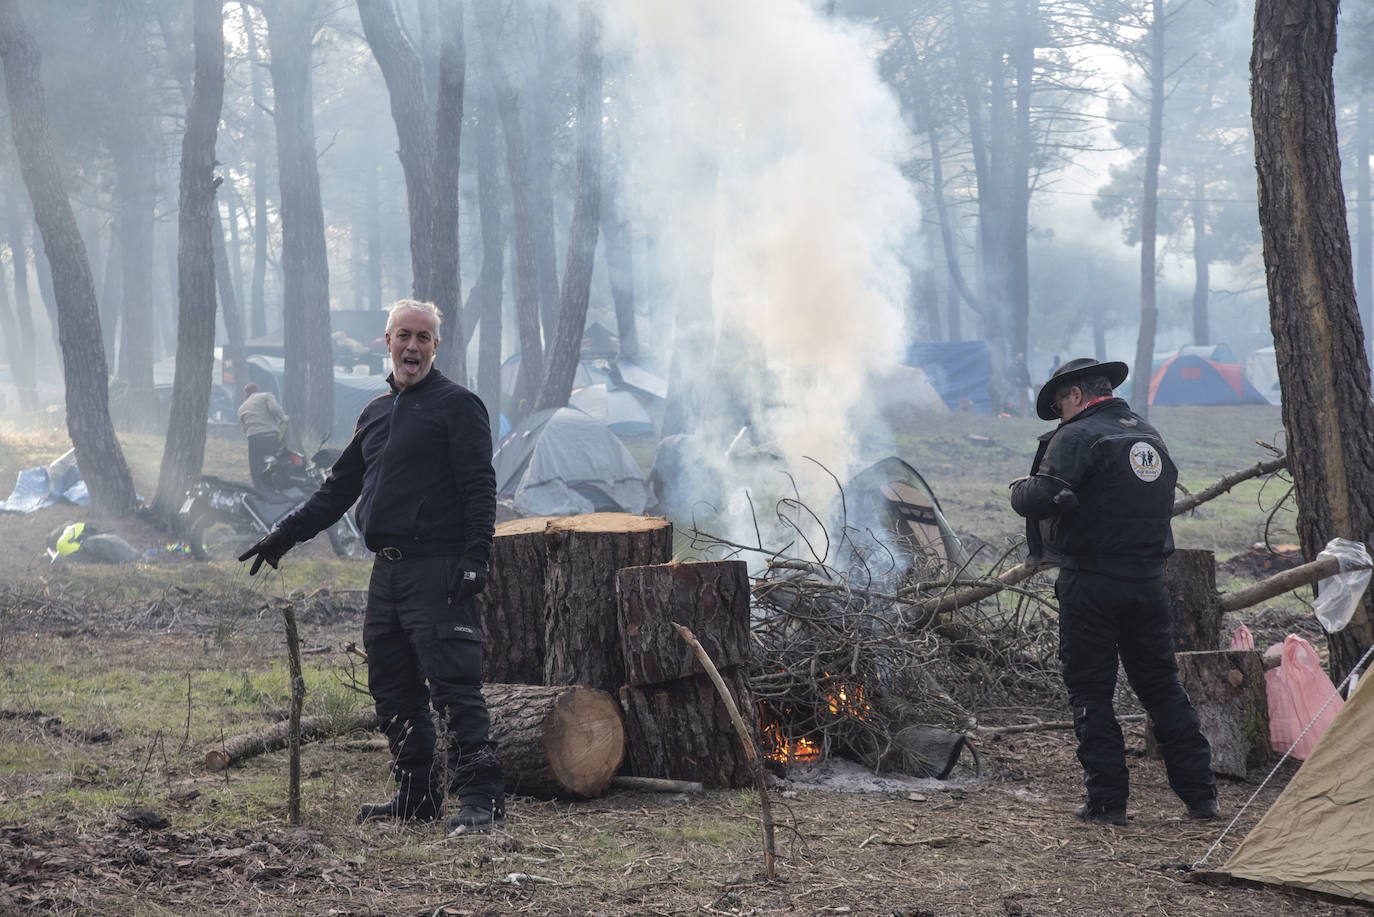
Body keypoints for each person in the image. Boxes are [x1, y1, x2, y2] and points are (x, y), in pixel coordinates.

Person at [238, 300, 504, 836]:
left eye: (423, 338)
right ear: (386, 342)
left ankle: (482, 801)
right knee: (393, 686)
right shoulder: (377, 412)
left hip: (439, 568)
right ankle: (417, 795)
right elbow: (338, 488)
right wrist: (284, 535)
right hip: (387, 572)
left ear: (435, 346)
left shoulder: (459, 405)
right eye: (403, 335)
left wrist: (478, 557)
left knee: (454, 687)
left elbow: (480, 485)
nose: (412, 346)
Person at [1009, 357, 1217, 826]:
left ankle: (1107, 803)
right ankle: (1201, 796)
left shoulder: (1077, 435)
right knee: (1163, 689)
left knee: (1091, 692)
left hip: (1093, 584)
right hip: (1148, 582)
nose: (1061, 412)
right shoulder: (1148, 435)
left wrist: (1020, 489)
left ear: (1077, 395)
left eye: (1061, 403)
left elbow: (1041, 497)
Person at [237, 382, 288, 490]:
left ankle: (260, 490)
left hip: (253, 440)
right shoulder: (266, 396)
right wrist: (284, 418)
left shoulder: (242, 408)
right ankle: (275, 489)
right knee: (272, 464)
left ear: (246, 395)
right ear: (258, 390)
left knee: (256, 468)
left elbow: (244, 428)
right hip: (269, 437)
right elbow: (274, 409)